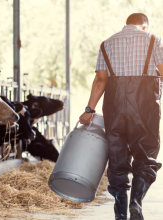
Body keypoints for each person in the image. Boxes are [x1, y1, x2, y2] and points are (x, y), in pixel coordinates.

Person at [79, 13, 163, 220]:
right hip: (145, 108)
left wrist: (89, 111)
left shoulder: (107, 44)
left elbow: (100, 80)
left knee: (117, 158)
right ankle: (136, 203)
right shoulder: (153, 40)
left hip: (114, 107)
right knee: (146, 155)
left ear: (126, 25)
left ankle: (120, 214)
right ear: (144, 27)